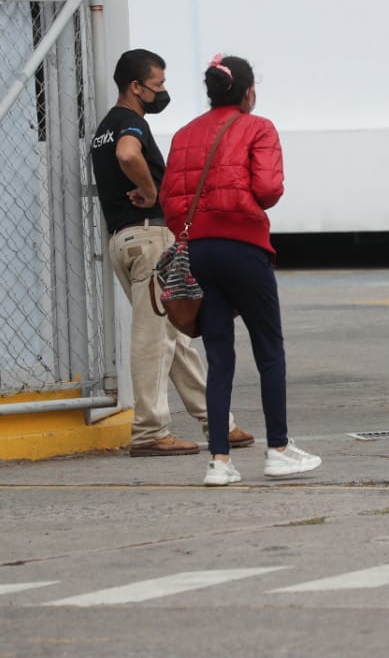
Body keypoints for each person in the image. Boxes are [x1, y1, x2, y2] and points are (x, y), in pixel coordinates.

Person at [159, 54, 321, 485]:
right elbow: (268, 189)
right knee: (269, 349)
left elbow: (171, 201)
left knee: (218, 357)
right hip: (243, 246)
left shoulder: (184, 134)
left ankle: (219, 462)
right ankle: (279, 450)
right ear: (249, 92)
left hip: (198, 251)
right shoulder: (258, 127)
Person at [90, 48, 253, 457]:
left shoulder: (104, 128)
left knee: (174, 335)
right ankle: (149, 432)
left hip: (122, 241)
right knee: (154, 339)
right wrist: (151, 191)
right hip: (148, 240)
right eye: (158, 86)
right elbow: (128, 155)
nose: (162, 93)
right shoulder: (130, 125)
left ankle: (218, 420)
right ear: (135, 87)